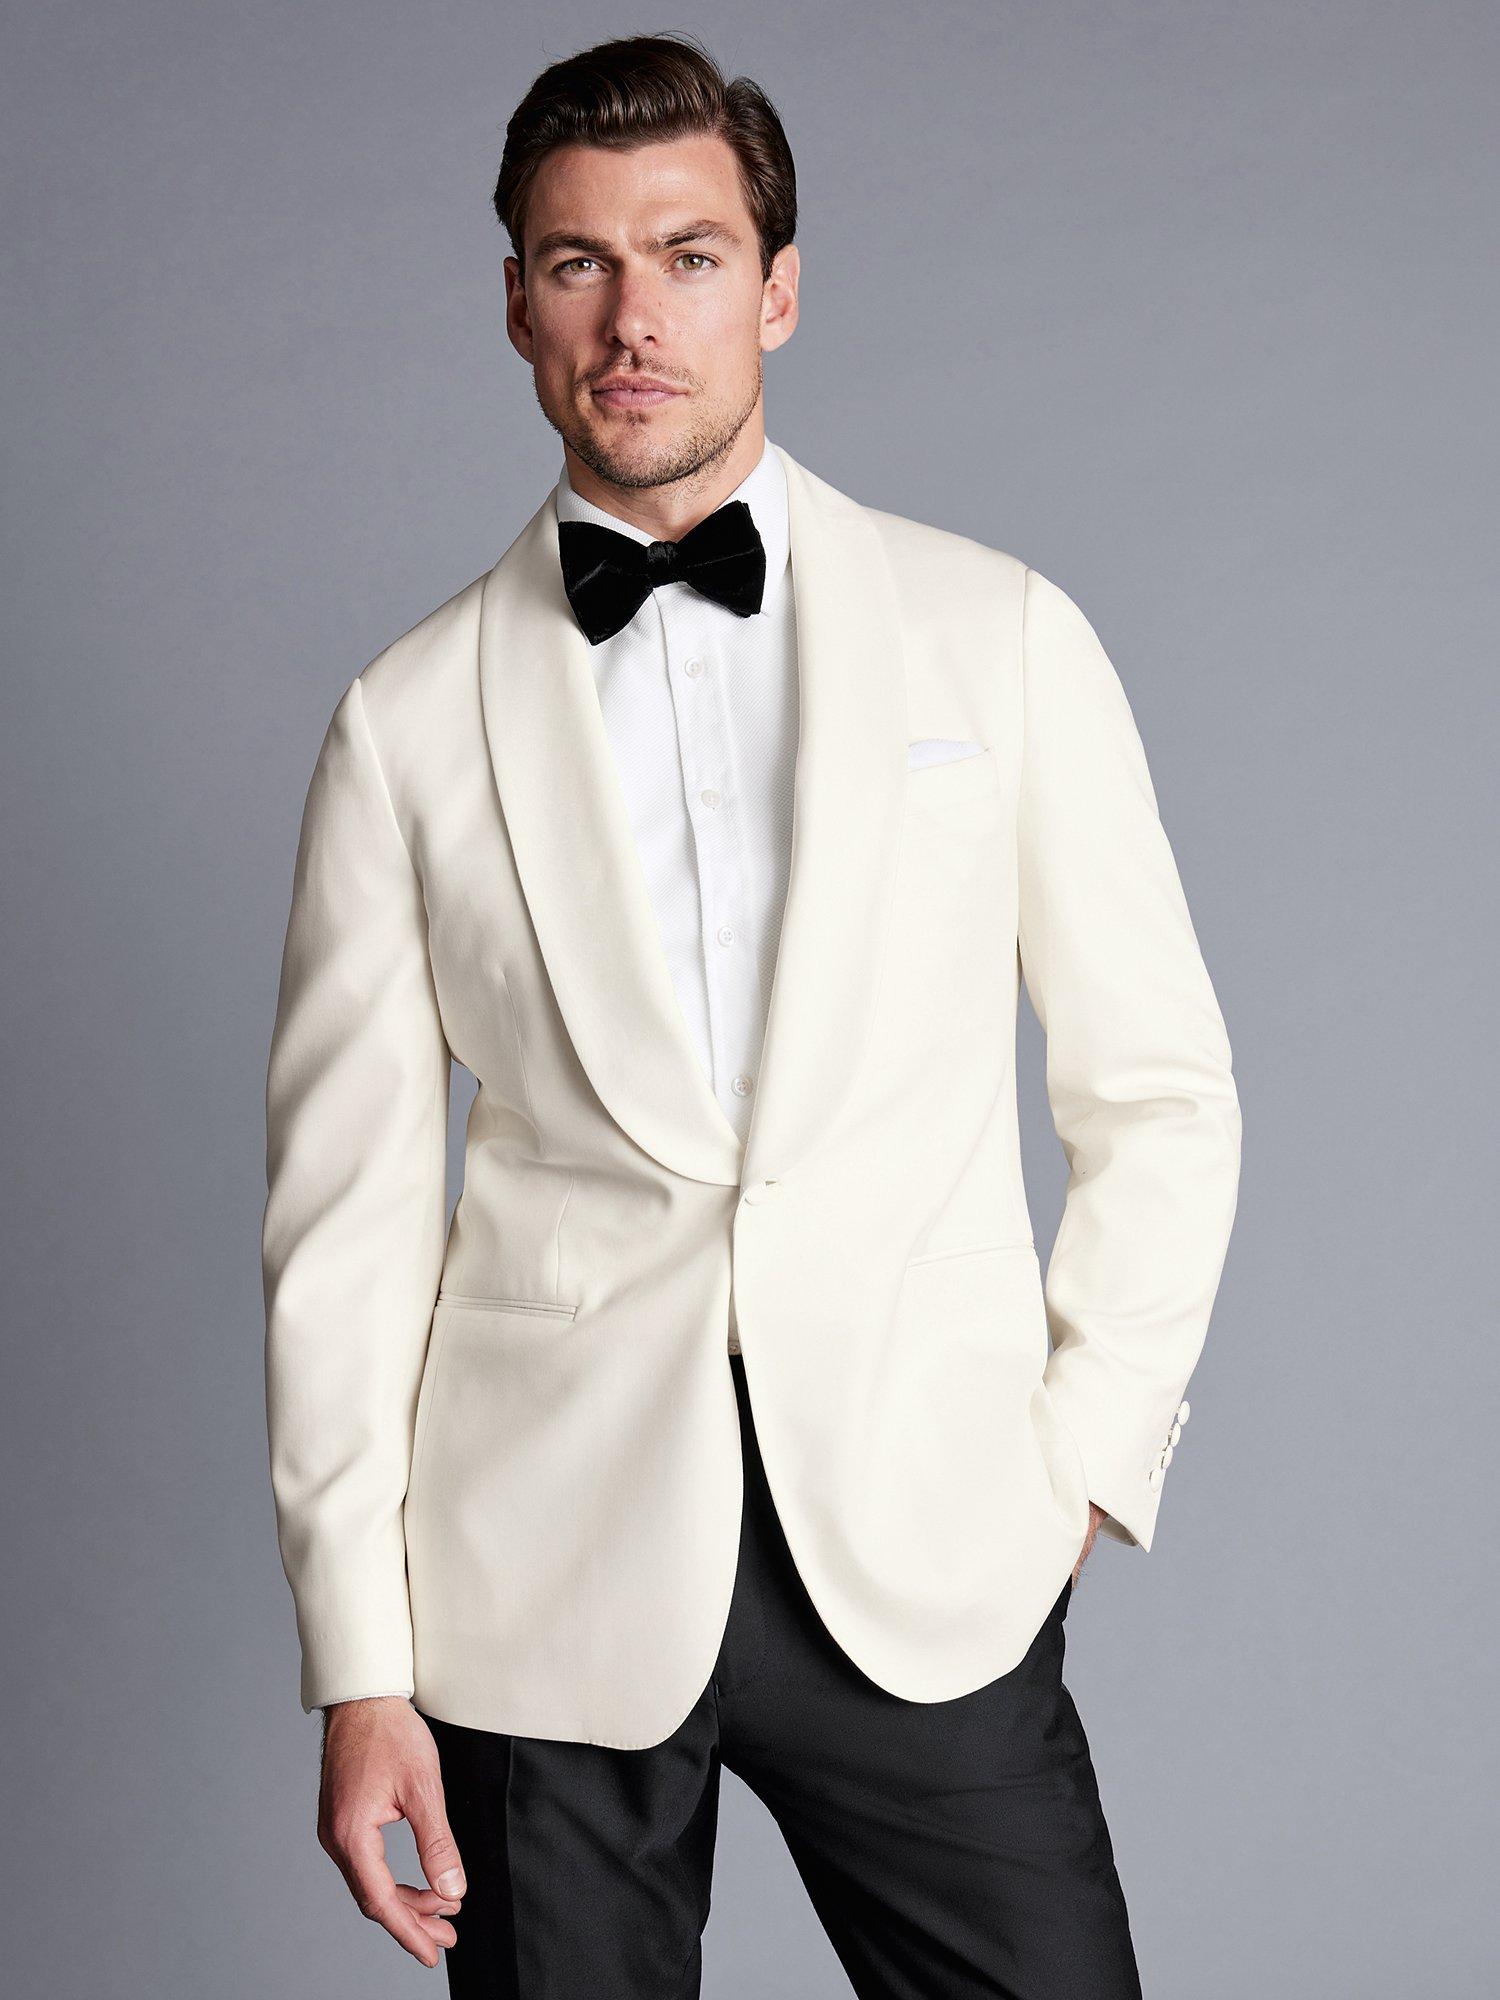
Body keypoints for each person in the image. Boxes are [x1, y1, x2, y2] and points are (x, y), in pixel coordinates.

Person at [261, 31, 1241, 1998]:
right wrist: (359, 1667)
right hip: (540, 1591)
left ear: (777, 290)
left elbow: (1159, 1092)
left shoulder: (999, 637)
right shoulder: (406, 724)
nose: (635, 319)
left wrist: (1081, 1464)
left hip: (926, 1547)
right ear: (517, 305)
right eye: (579, 264)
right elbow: (344, 1234)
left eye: (690, 257)